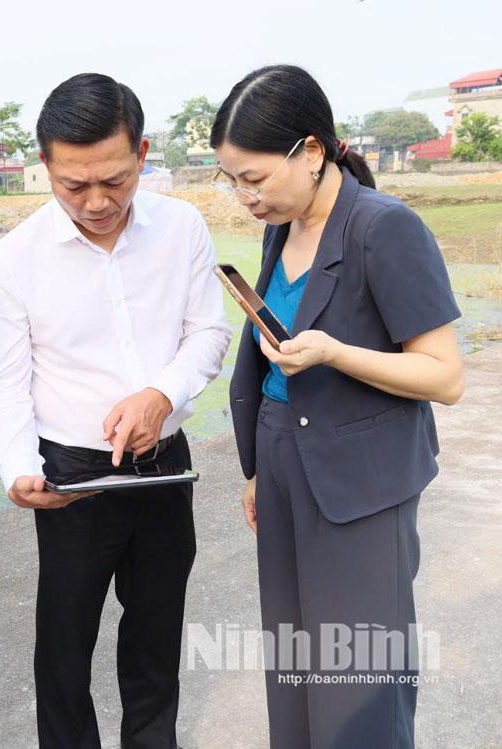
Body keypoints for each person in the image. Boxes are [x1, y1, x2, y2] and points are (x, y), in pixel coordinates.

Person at [210, 64, 464, 748]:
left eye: (253, 178)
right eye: (229, 179)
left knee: (358, 684)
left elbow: (444, 376)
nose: (242, 197)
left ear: (313, 150)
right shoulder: (282, 228)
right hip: (285, 460)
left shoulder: (383, 228)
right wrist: (260, 467)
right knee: (296, 669)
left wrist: (333, 352)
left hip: (362, 479)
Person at [0, 73, 232, 749]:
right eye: (73, 184)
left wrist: (162, 394)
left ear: (142, 153)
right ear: (47, 167)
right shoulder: (14, 261)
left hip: (162, 468)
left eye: (114, 181)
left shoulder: (181, 227)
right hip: (71, 477)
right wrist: (19, 469)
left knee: (155, 637)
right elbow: (7, 384)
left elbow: (209, 331)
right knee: (63, 648)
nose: (96, 201)